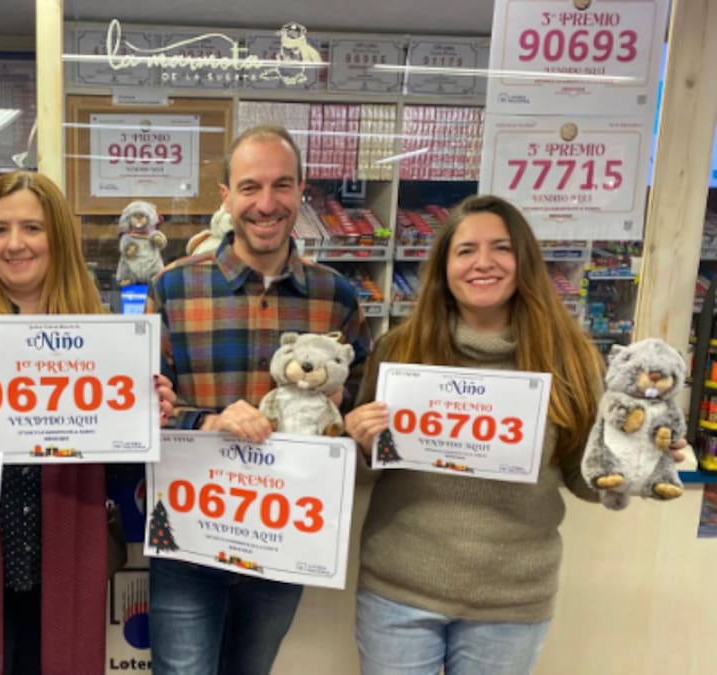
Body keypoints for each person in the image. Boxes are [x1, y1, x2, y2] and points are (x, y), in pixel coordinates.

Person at [343, 194, 687, 675]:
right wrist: (358, 444)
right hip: (399, 590)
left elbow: (581, 475)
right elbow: (365, 474)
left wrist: (633, 463)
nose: (483, 263)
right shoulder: (400, 350)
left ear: (523, 260)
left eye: (500, 248)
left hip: (511, 603)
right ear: (443, 268)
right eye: (465, 251)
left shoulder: (569, 359)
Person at [0, 170, 175, 675]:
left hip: (65, 554)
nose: (14, 244)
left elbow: (119, 463)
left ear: (58, 237)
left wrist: (144, 416)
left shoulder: (96, 326)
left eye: (31, 227)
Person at [146, 124, 372, 674]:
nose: (265, 204)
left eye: (282, 186)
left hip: (283, 538)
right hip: (187, 535)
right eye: (249, 188)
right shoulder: (173, 288)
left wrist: (347, 418)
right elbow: (139, 409)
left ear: (302, 192)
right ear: (225, 196)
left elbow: (356, 410)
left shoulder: (335, 297)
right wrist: (209, 420)